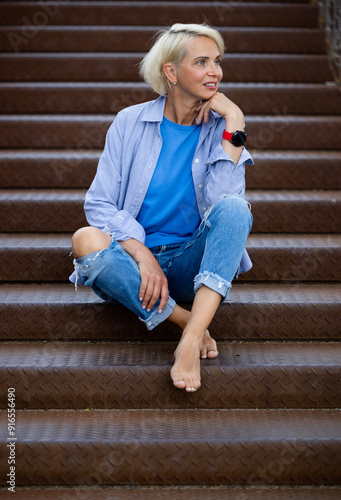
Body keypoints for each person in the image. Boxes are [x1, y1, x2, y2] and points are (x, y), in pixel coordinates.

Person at [70, 23, 253, 393]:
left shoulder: (222, 129)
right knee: (85, 239)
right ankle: (189, 322)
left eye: (217, 61)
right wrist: (142, 254)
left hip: (191, 263)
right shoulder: (129, 122)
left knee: (237, 208)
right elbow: (99, 203)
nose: (214, 71)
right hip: (134, 269)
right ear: (171, 72)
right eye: (201, 62)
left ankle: (188, 341)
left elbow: (223, 208)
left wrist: (235, 122)